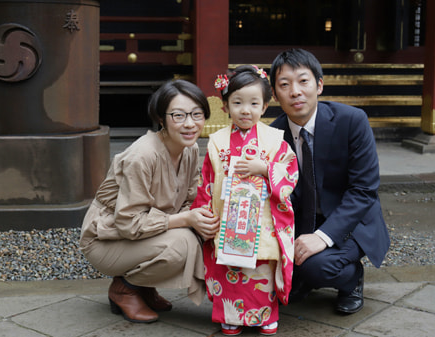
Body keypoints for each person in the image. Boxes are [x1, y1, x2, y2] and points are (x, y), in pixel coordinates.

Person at [79, 79, 220, 323]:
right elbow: (128, 223)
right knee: (184, 244)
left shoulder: (190, 150)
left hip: (142, 234)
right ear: (162, 119)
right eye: (178, 115)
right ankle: (125, 288)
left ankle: (145, 288)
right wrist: (186, 219)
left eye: (197, 114)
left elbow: (189, 200)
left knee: (202, 234)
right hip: (106, 238)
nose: (189, 123)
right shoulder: (142, 155)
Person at [269, 49, 390, 314]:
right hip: (302, 220)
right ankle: (303, 275)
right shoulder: (273, 134)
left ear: (319, 85)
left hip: (350, 219)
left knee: (317, 267)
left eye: (303, 81)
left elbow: (363, 191)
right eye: (284, 85)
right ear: (275, 95)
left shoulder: (352, 121)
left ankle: (351, 279)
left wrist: (322, 237)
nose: (295, 92)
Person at [192, 65, 298, 335]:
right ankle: (231, 315)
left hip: (262, 219)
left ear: (264, 107)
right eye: (237, 103)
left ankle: (265, 315)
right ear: (225, 105)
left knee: (261, 266)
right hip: (227, 217)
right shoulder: (217, 141)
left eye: (253, 103)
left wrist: (264, 170)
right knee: (230, 267)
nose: (245, 110)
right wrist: (203, 214)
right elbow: (207, 180)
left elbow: (290, 172)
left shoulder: (274, 140)